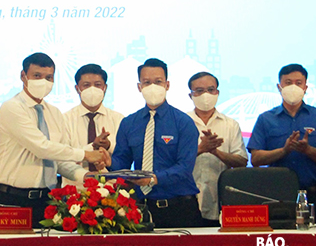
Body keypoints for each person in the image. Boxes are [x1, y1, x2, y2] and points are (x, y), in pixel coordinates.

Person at [0, 52, 107, 227]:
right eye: (37, 76)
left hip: (46, 200)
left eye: (49, 77)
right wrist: (86, 154)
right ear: (23, 76)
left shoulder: (54, 113)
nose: (43, 82)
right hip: (12, 199)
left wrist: (86, 176)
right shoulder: (12, 108)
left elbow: (58, 159)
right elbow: (41, 148)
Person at [109, 58, 202, 228]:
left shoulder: (183, 122)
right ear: (139, 87)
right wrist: (108, 162)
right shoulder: (129, 123)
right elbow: (121, 162)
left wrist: (153, 179)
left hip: (179, 208)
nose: (153, 87)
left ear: (167, 85)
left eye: (158, 82)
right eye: (147, 82)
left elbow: (185, 166)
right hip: (139, 208)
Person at [247, 64, 316, 223]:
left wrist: (308, 150)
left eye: (298, 83)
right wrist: (284, 150)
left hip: (311, 195)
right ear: (279, 87)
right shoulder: (266, 119)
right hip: (276, 197)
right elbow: (256, 159)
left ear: (305, 87)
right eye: (288, 83)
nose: (293, 87)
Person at [186, 71, 247, 227]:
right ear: (190, 95)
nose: (206, 94)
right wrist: (200, 149)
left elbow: (241, 161)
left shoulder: (230, 124)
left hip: (221, 201)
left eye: (211, 90)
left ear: (217, 93)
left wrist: (215, 152)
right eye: (199, 91)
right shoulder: (181, 123)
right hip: (186, 201)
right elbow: (170, 162)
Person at [62, 64, 124, 188]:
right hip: (75, 192)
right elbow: (62, 157)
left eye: (97, 85)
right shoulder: (64, 120)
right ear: (77, 88)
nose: (92, 89)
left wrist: (108, 146)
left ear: (105, 88)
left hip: (111, 192)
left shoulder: (119, 119)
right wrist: (92, 147)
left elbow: (126, 156)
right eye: (86, 85)